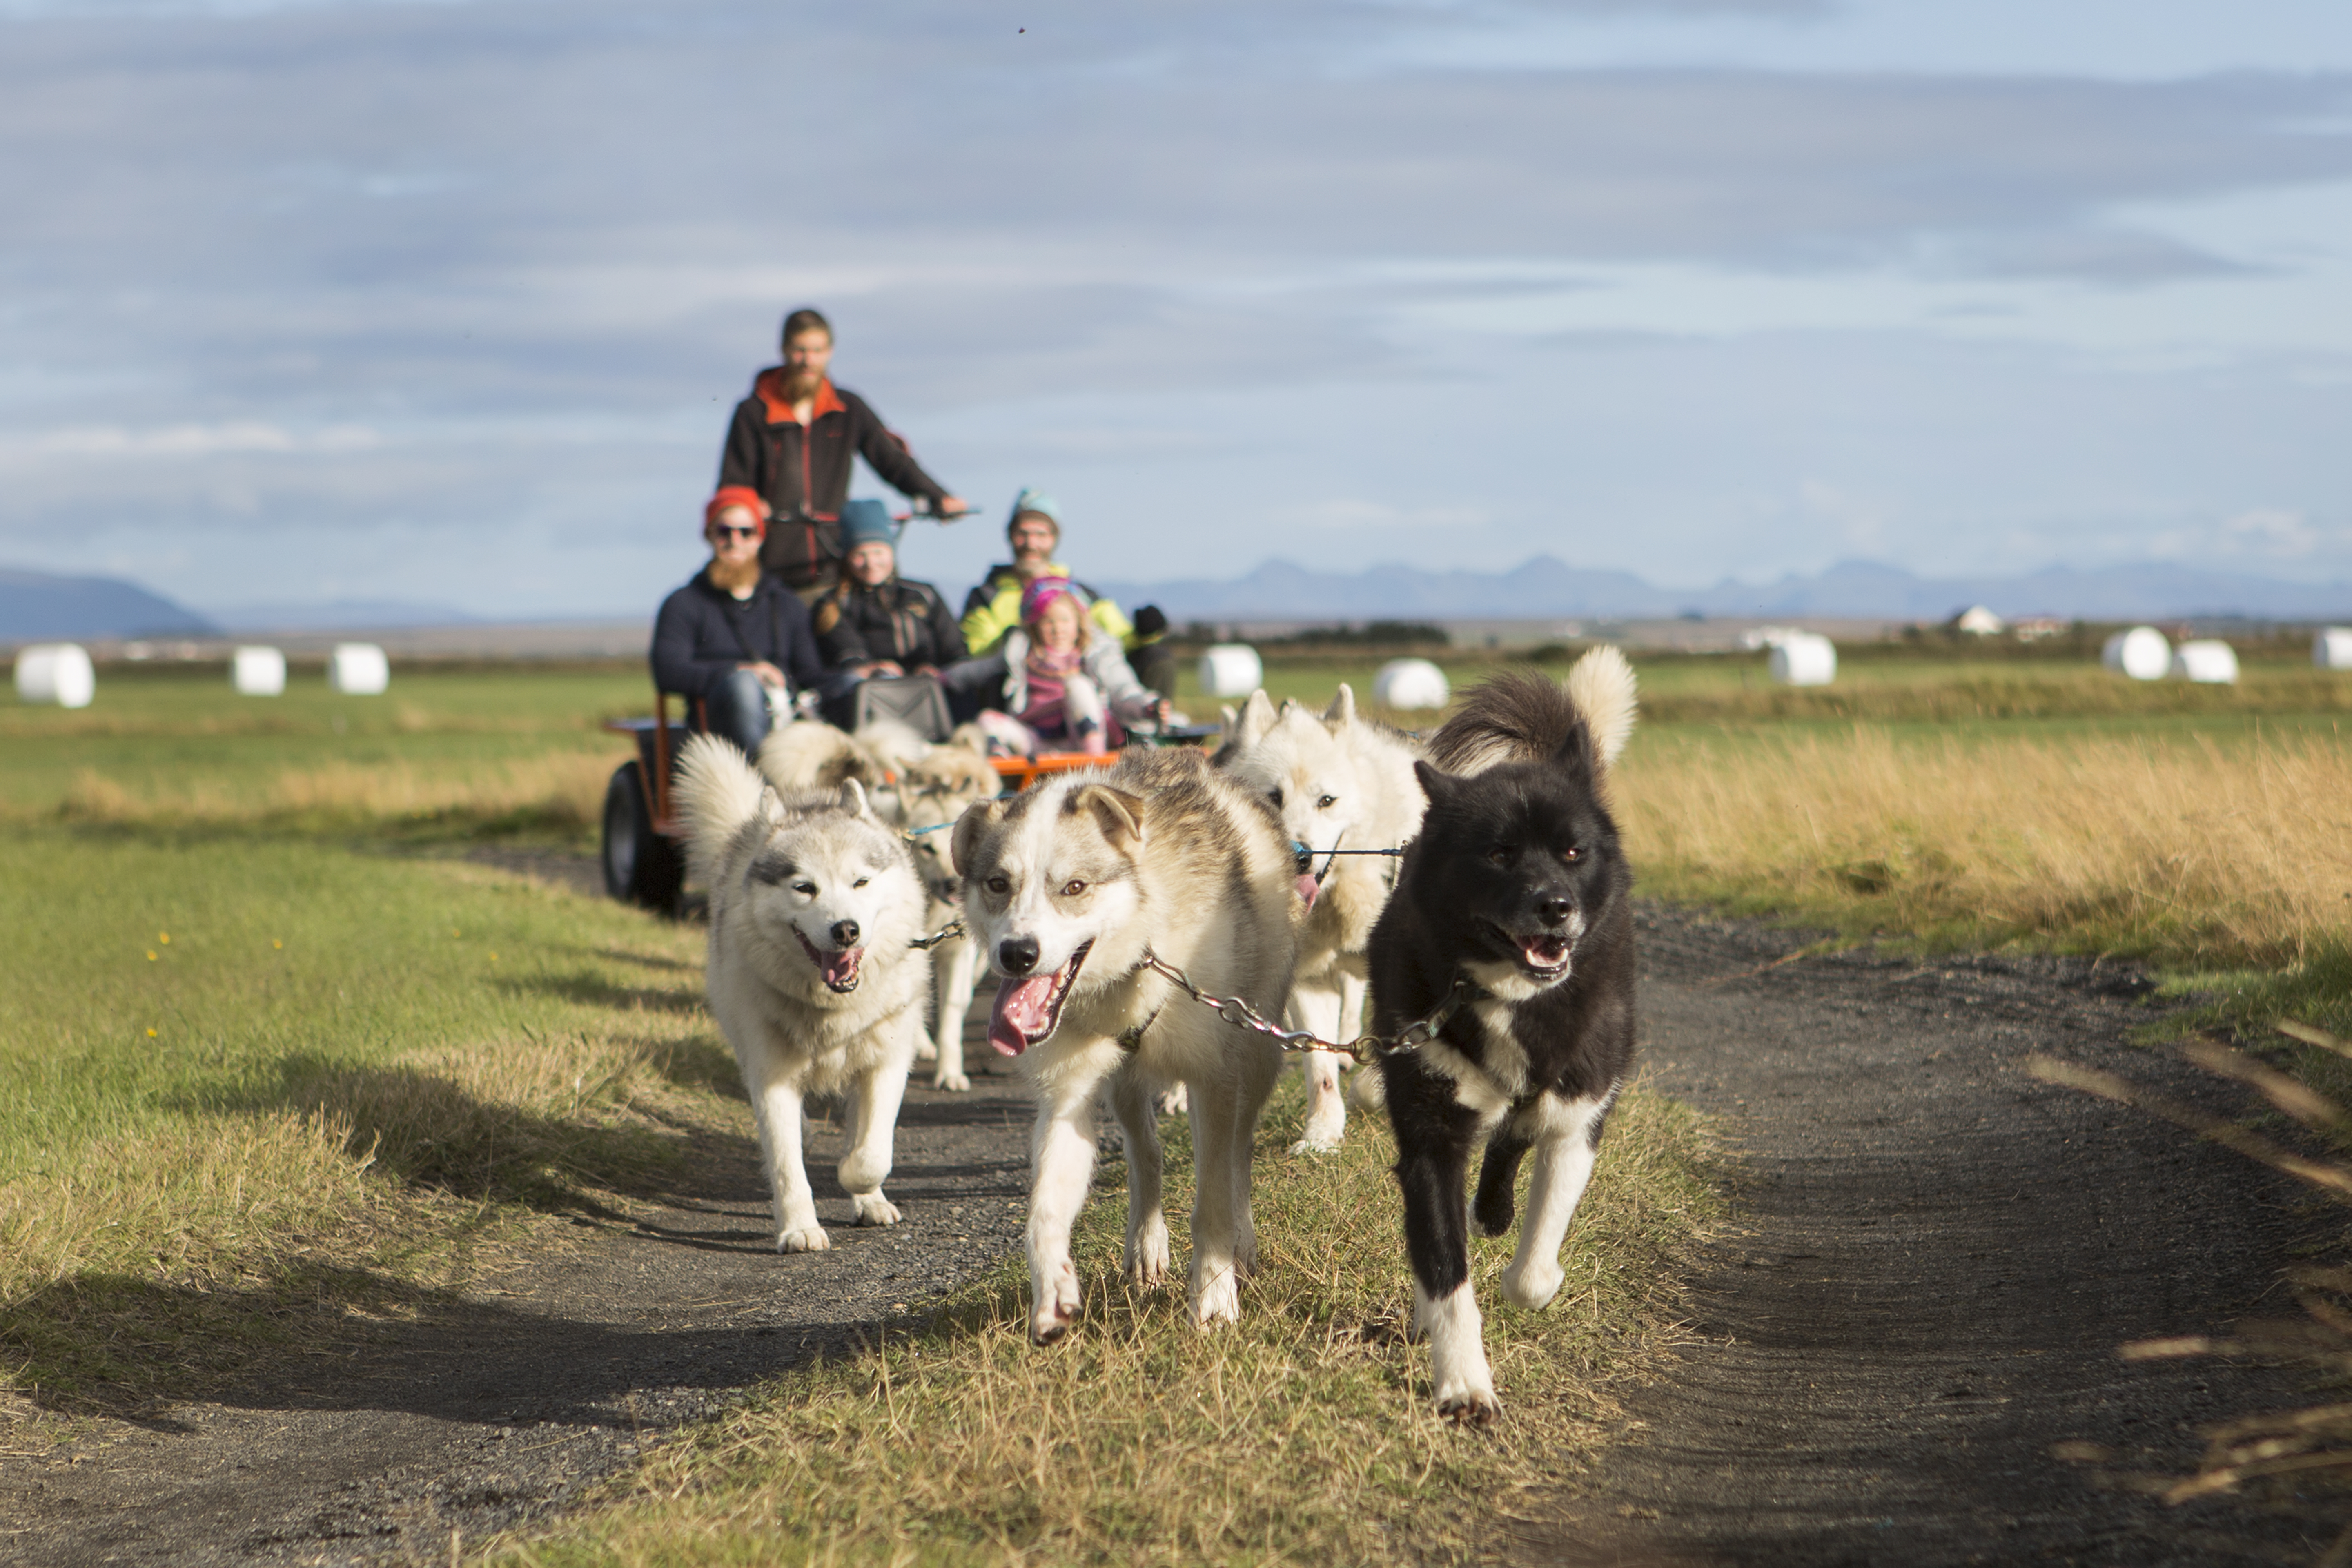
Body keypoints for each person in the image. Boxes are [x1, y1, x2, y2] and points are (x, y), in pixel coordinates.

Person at [717, 307, 969, 600]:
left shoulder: (848, 409)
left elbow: (892, 461)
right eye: (800, 350)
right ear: (784, 350)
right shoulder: (752, 414)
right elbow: (732, 486)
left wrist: (939, 496)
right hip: (771, 573)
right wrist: (748, 507)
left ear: (830, 352)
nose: (808, 360)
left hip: (835, 566)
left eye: (817, 350)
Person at [650, 486, 825, 759]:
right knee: (743, 685)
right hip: (717, 732)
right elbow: (668, 670)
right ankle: (762, 783)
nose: (735, 541)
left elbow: (811, 674)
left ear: (759, 538)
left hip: (786, 720)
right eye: (724, 532)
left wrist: (858, 674)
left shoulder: (786, 604)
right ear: (709, 535)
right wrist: (739, 671)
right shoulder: (684, 603)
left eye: (746, 532)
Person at [958, 488, 1174, 699]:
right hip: (1023, 688)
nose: (1031, 544)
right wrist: (1024, 638)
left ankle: (1149, 726)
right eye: (1022, 534)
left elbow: (1119, 638)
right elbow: (979, 652)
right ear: (1010, 536)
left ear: (1054, 539)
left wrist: (1145, 631)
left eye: (1041, 535)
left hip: (1085, 679)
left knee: (1157, 658)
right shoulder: (985, 596)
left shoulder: (1080, 592)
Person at [811, 500, 973, 731]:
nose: (871, 563)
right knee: (882, 683)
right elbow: (850, 658)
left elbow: (955, 650)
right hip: (871, 697)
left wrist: (933, 670)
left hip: (931, 691)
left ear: (892, 551)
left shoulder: (923, 595)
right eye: (860, 554)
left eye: (878, 552)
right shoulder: (833, 605)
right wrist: (876, 668)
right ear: (847, 557)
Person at [971, 575, 1170, 757]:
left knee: (1078, 686)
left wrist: (1147, 706)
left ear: (1079, 623)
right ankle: (1003, 771)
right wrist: (946, 677)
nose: (1058, 629)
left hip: (1085, 738)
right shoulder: (1020, 654)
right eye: (1049, 622)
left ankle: (1094, 763)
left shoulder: (1094, 655)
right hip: (1037, 740)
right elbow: (976, 670)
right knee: (987, 720)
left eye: (1065, 620)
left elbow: (1122, 688)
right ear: (1035, 625)